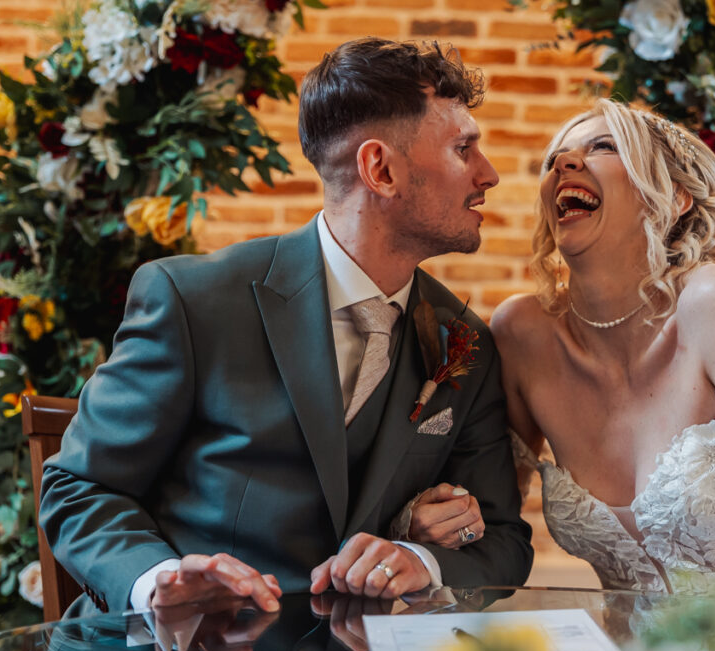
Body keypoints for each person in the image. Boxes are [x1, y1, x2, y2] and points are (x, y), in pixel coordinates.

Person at [38, 37, 533, 621]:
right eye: (463, 148)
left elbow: (503, 538)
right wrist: (158, 582)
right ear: (379, 168)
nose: (489, 173)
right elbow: (79, 490)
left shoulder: (464, 342)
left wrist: (418, 558)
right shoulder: (194, 300)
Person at [408, 98, 715, 614]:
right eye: (556, 158)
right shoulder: (522, 335)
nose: (565, 164)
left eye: (603, 147)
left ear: (676, 197)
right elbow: (485, 519)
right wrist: (425, 525)